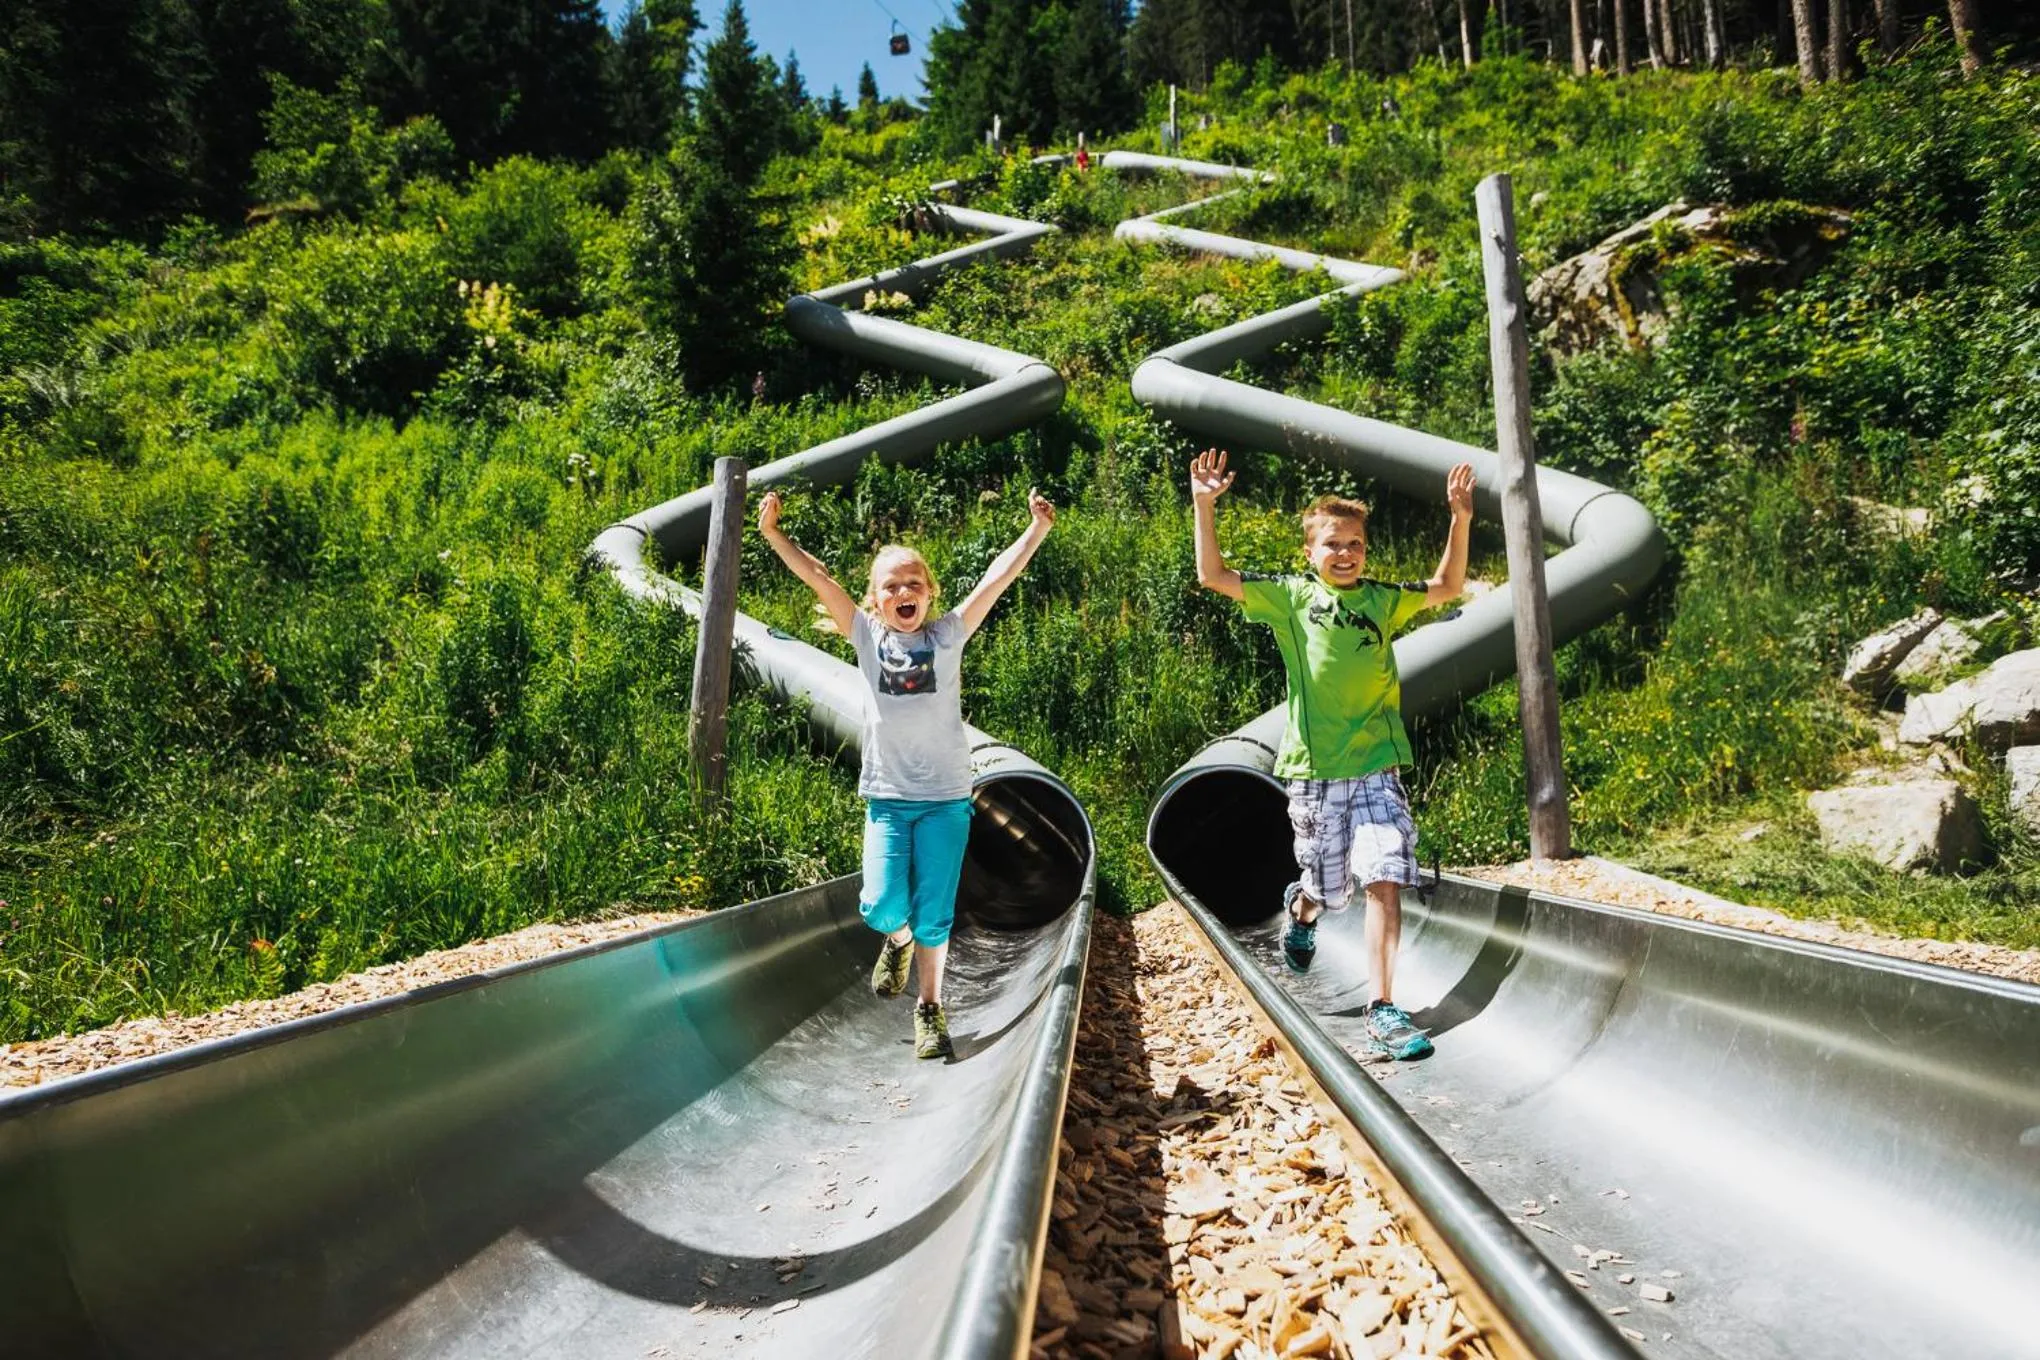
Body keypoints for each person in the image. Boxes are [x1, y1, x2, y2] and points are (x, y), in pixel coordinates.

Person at [1189, 449, 1474, 1061]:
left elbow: (1448, 586)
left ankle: (1383, 1007)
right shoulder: (1290, 598)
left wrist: (1460, 518)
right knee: (1330, 885)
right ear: (1310, 553)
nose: (1344, 554)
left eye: (1354, 545)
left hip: (1376, 766)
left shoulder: (1379, 600)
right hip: (1316, 776)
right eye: (1332, 545)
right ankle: (1303, 908)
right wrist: (1204, 506)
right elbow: (1214, 576)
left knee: (1385, 874)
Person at [757, 486, 1057, 1058]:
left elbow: (998, 578)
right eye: (891, 586)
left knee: (935, 913)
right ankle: (894, 941)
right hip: (890, 797)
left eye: (913, 583)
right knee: (884, 905)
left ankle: (930, 1009)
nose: (903, 592)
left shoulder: (948, 635)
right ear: (874, 600)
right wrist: (773, 533)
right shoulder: (867, 636)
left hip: (946, 796)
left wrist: (1035, 530)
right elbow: (817, 578)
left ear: (929, 594)